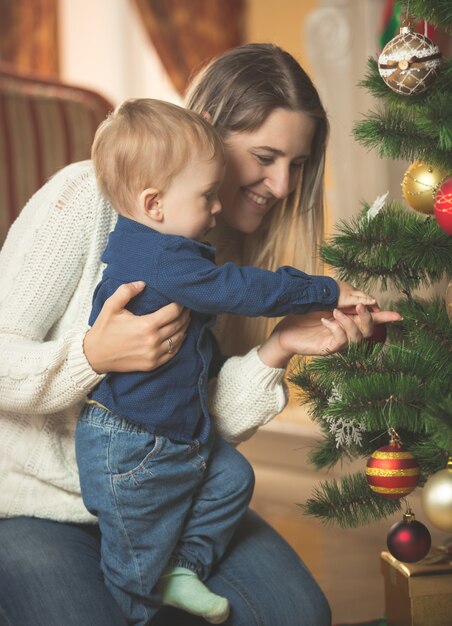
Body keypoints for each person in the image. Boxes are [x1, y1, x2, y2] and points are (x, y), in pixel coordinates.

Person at [0, 43, 401, 626]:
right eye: (266, 157)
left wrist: (277, 347)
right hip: (37, 504)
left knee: (297, 613)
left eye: (298, 164)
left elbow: (198, 422)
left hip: (165, 494)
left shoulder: (219, 243)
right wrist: (92, 356)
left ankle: (169, 575)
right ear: (205, 131)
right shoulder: (86, 197)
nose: (284, 186)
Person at [77, 97, 377, 626]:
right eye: (207, 196)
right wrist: (322, 289)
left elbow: (207, 380)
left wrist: (280, 346)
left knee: (233, 476)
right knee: (133, 567)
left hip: (173, 438)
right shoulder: (162, 257)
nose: (216, 210)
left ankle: (182, 568)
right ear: (154, 204)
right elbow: (240, 288)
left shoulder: (165, 244)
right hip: (131, 444)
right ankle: (140, 604)